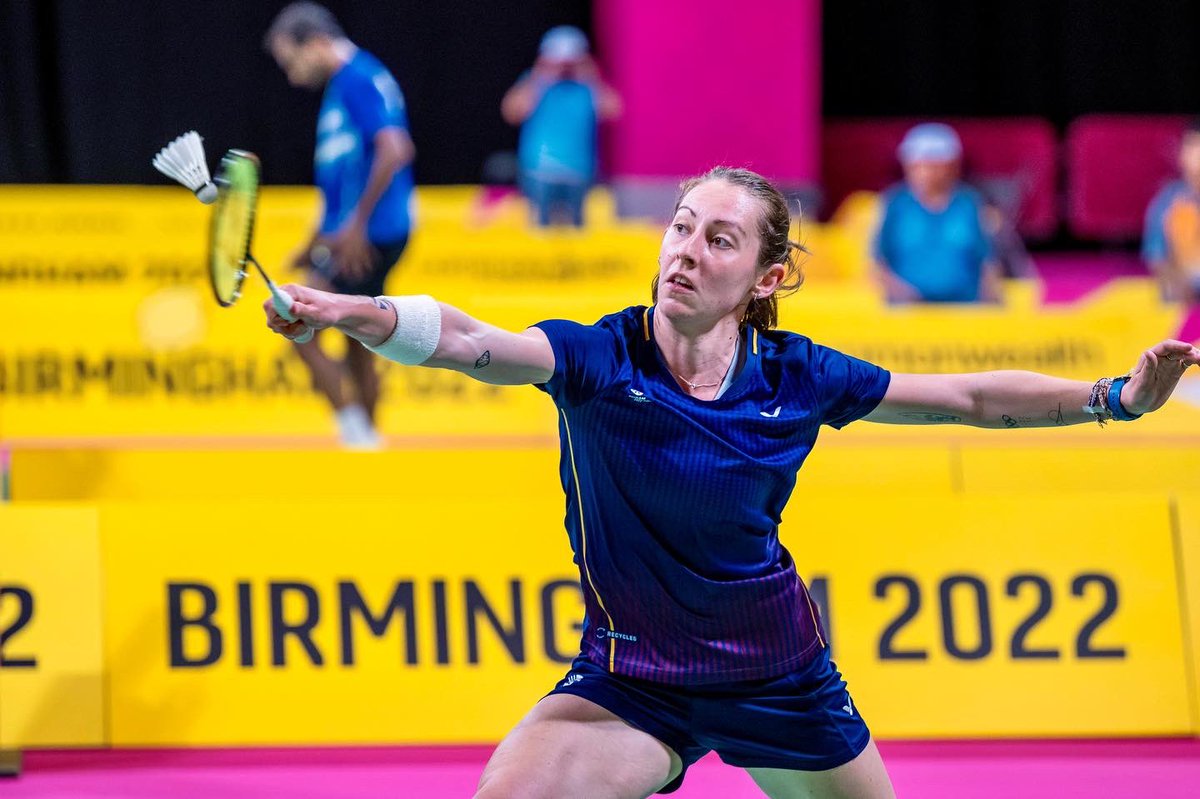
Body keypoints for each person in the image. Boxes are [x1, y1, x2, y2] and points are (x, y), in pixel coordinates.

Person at [264, 166, 1198, 798]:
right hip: (634, 678)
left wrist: (1112, 398)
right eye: (680, 227)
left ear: (765, 275)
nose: (685, 250)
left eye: (719, 239)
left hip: (780, 678)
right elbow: (472, 342)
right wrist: (348, 309)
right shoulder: (599, 357)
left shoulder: (796, 376)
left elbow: (965, 395)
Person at [265, 2, 416, 448]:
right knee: (358, 338)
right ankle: (368, 440)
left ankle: (354, 426)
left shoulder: (357, 79)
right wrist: (315, 240)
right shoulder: (343, 86)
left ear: (313, 43)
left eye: (291, 61)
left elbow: (395, 150)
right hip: (356, 231)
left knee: (293, 319)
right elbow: (340, 180)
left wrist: (355, 228)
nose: (291, 76)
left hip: (369, 234)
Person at [501, 25, 622, 227]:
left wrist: (591, 76)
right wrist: (540, 76)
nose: (564, 66)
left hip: (579, 172)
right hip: (539, 171)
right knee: (539, 231)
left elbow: (614, 109)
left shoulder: (587, 87)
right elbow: (511, 111)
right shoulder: (536, 83)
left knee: (576, 233)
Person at [874, 123, 1003, 304]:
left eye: (931, 165)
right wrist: (901, 292)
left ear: (952, 166)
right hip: (908, 316)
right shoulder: (895, 204)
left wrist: (991, 299)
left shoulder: (969, 204)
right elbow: (876, 263)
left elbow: (988, 261)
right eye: (915, 165)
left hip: (963, 312)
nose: (923, 173)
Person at [1143, 117, 1200, 305]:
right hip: (1184, 291)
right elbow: (1156, 256)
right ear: (1181, 153)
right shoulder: (1168, 202)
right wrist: (1175, 282)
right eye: (1193, 145)